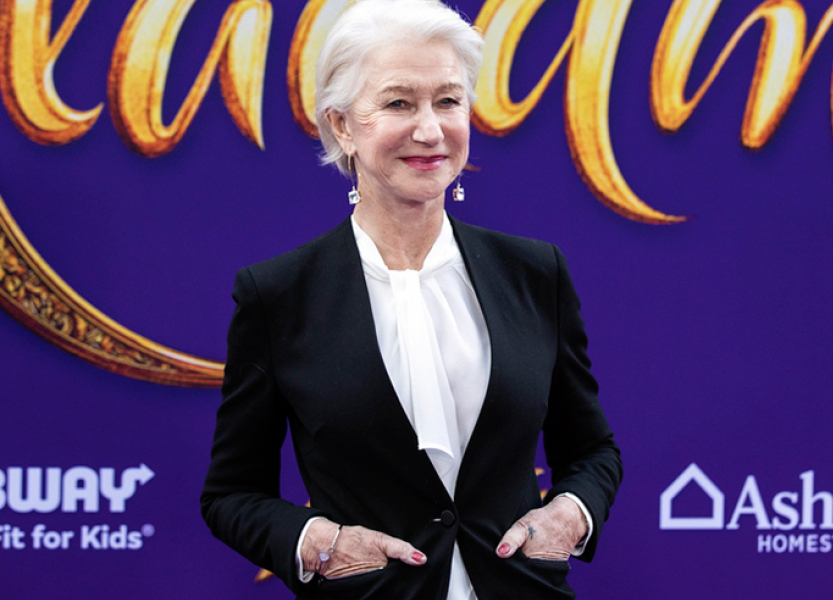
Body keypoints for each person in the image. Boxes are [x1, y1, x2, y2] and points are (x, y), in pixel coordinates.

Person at [200, 1, 622, 598]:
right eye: (399, 103)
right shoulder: (279, 294)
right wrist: (319, 542)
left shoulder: (534, 273)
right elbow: (231, 494)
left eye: (448, 101)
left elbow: (593, 450)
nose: (430, 130)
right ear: (343, 126)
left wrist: (571, 514)